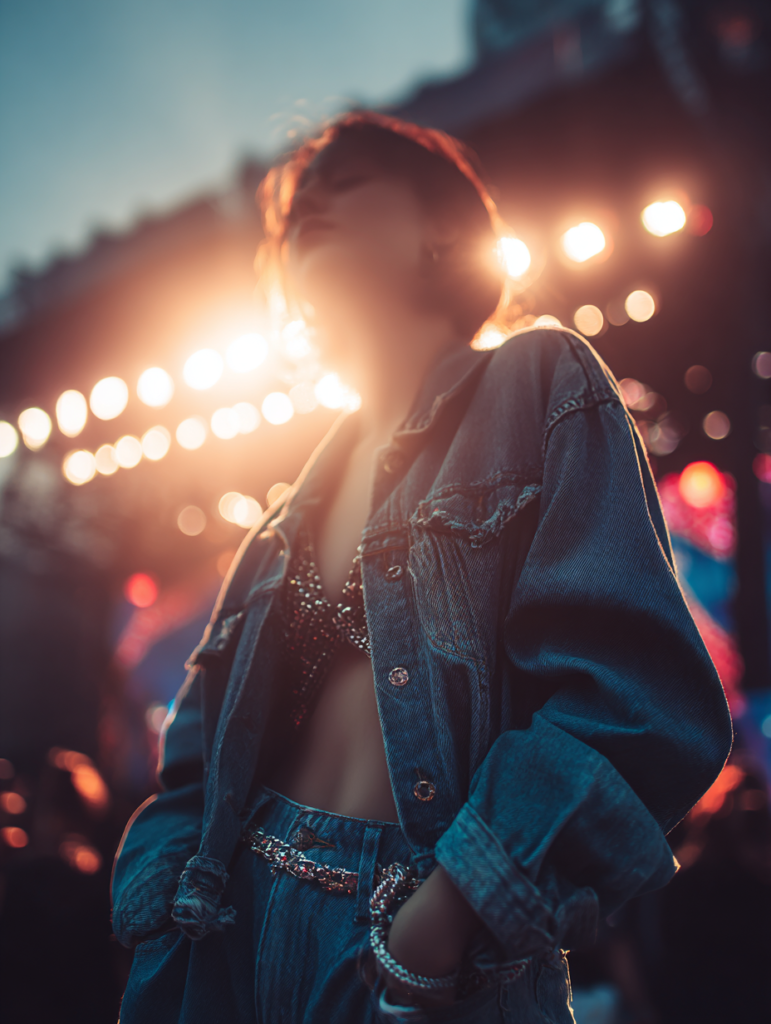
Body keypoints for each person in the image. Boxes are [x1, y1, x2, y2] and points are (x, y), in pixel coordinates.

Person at [111, 112, 733, 1024]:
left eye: (350, 177)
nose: (311, 201)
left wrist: (439, 923)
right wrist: (164, 911)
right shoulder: (286, 511)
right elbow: (196, 761)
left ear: (445, 230)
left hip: (424, 955)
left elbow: (635, 704)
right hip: (228, 932)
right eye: (295, 204)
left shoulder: (537, 380)